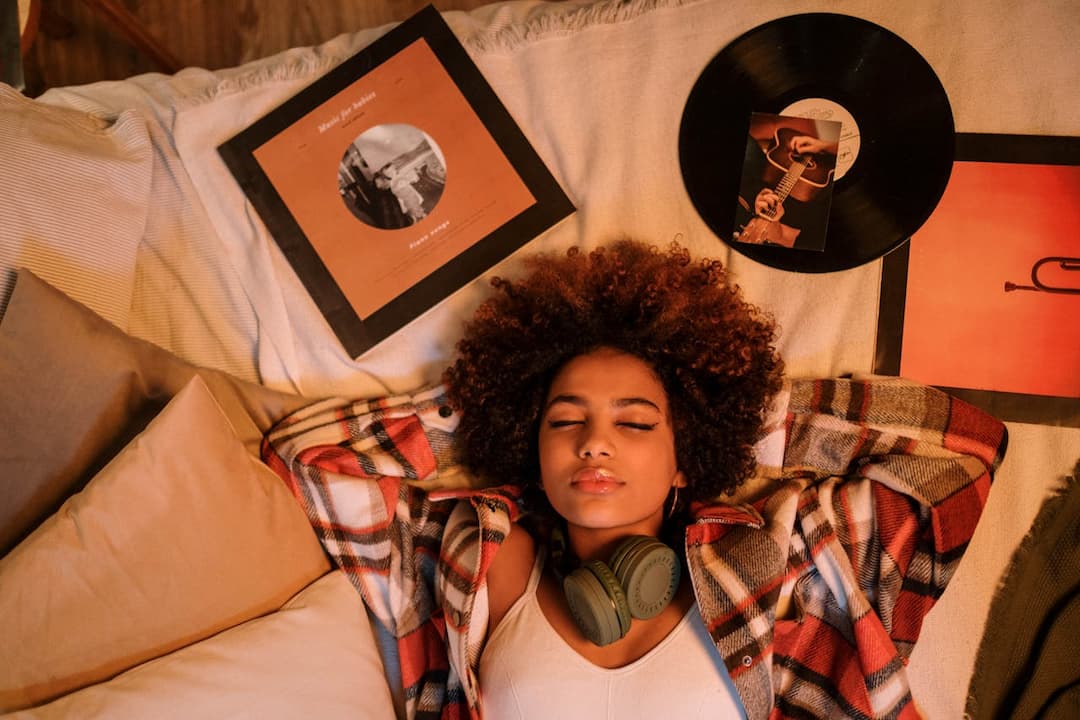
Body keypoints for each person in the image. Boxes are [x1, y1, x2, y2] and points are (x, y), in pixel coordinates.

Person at [263, 239, 1007, 720]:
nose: (594, 444)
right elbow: (313, 463)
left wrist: (741, 412)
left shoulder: (779, 565)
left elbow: (960, 452)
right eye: (564, 420)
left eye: (636, 422)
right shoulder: (484, 565)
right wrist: (485, 407)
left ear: (685, 456)